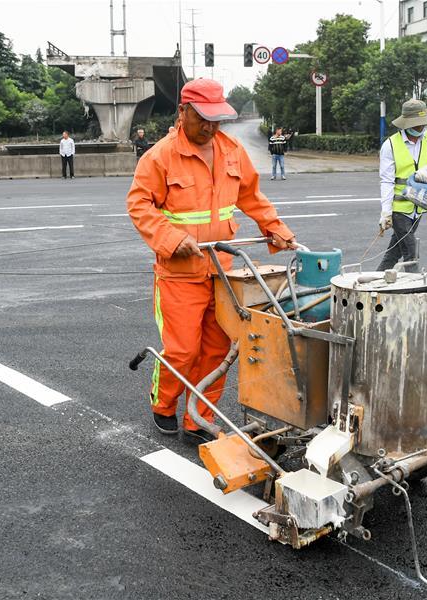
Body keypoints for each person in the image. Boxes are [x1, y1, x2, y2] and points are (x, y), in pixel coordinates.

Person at [126, 78, 297, 443]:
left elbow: (252, 196)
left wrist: (275, 228)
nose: (210, 127)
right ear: (183, 112)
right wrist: (172, 238)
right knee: (182, 349)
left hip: (222, 270)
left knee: (218, 348)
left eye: (216, 120)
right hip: (178, 273)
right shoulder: (159, 156)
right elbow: (139, 206)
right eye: (202, 119)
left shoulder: (232, 151)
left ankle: (198, 419)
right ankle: (163, 403)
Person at [377, 98, 427, 273]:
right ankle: (414, 287)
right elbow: (386, 181)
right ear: (406, 124)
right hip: (399, 207)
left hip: (421, 204)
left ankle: (374, 281)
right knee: (410, 250)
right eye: (416, 124)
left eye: (423, 124)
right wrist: (386, 212)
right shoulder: (390, 145)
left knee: (395, 252)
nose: (420, 128)